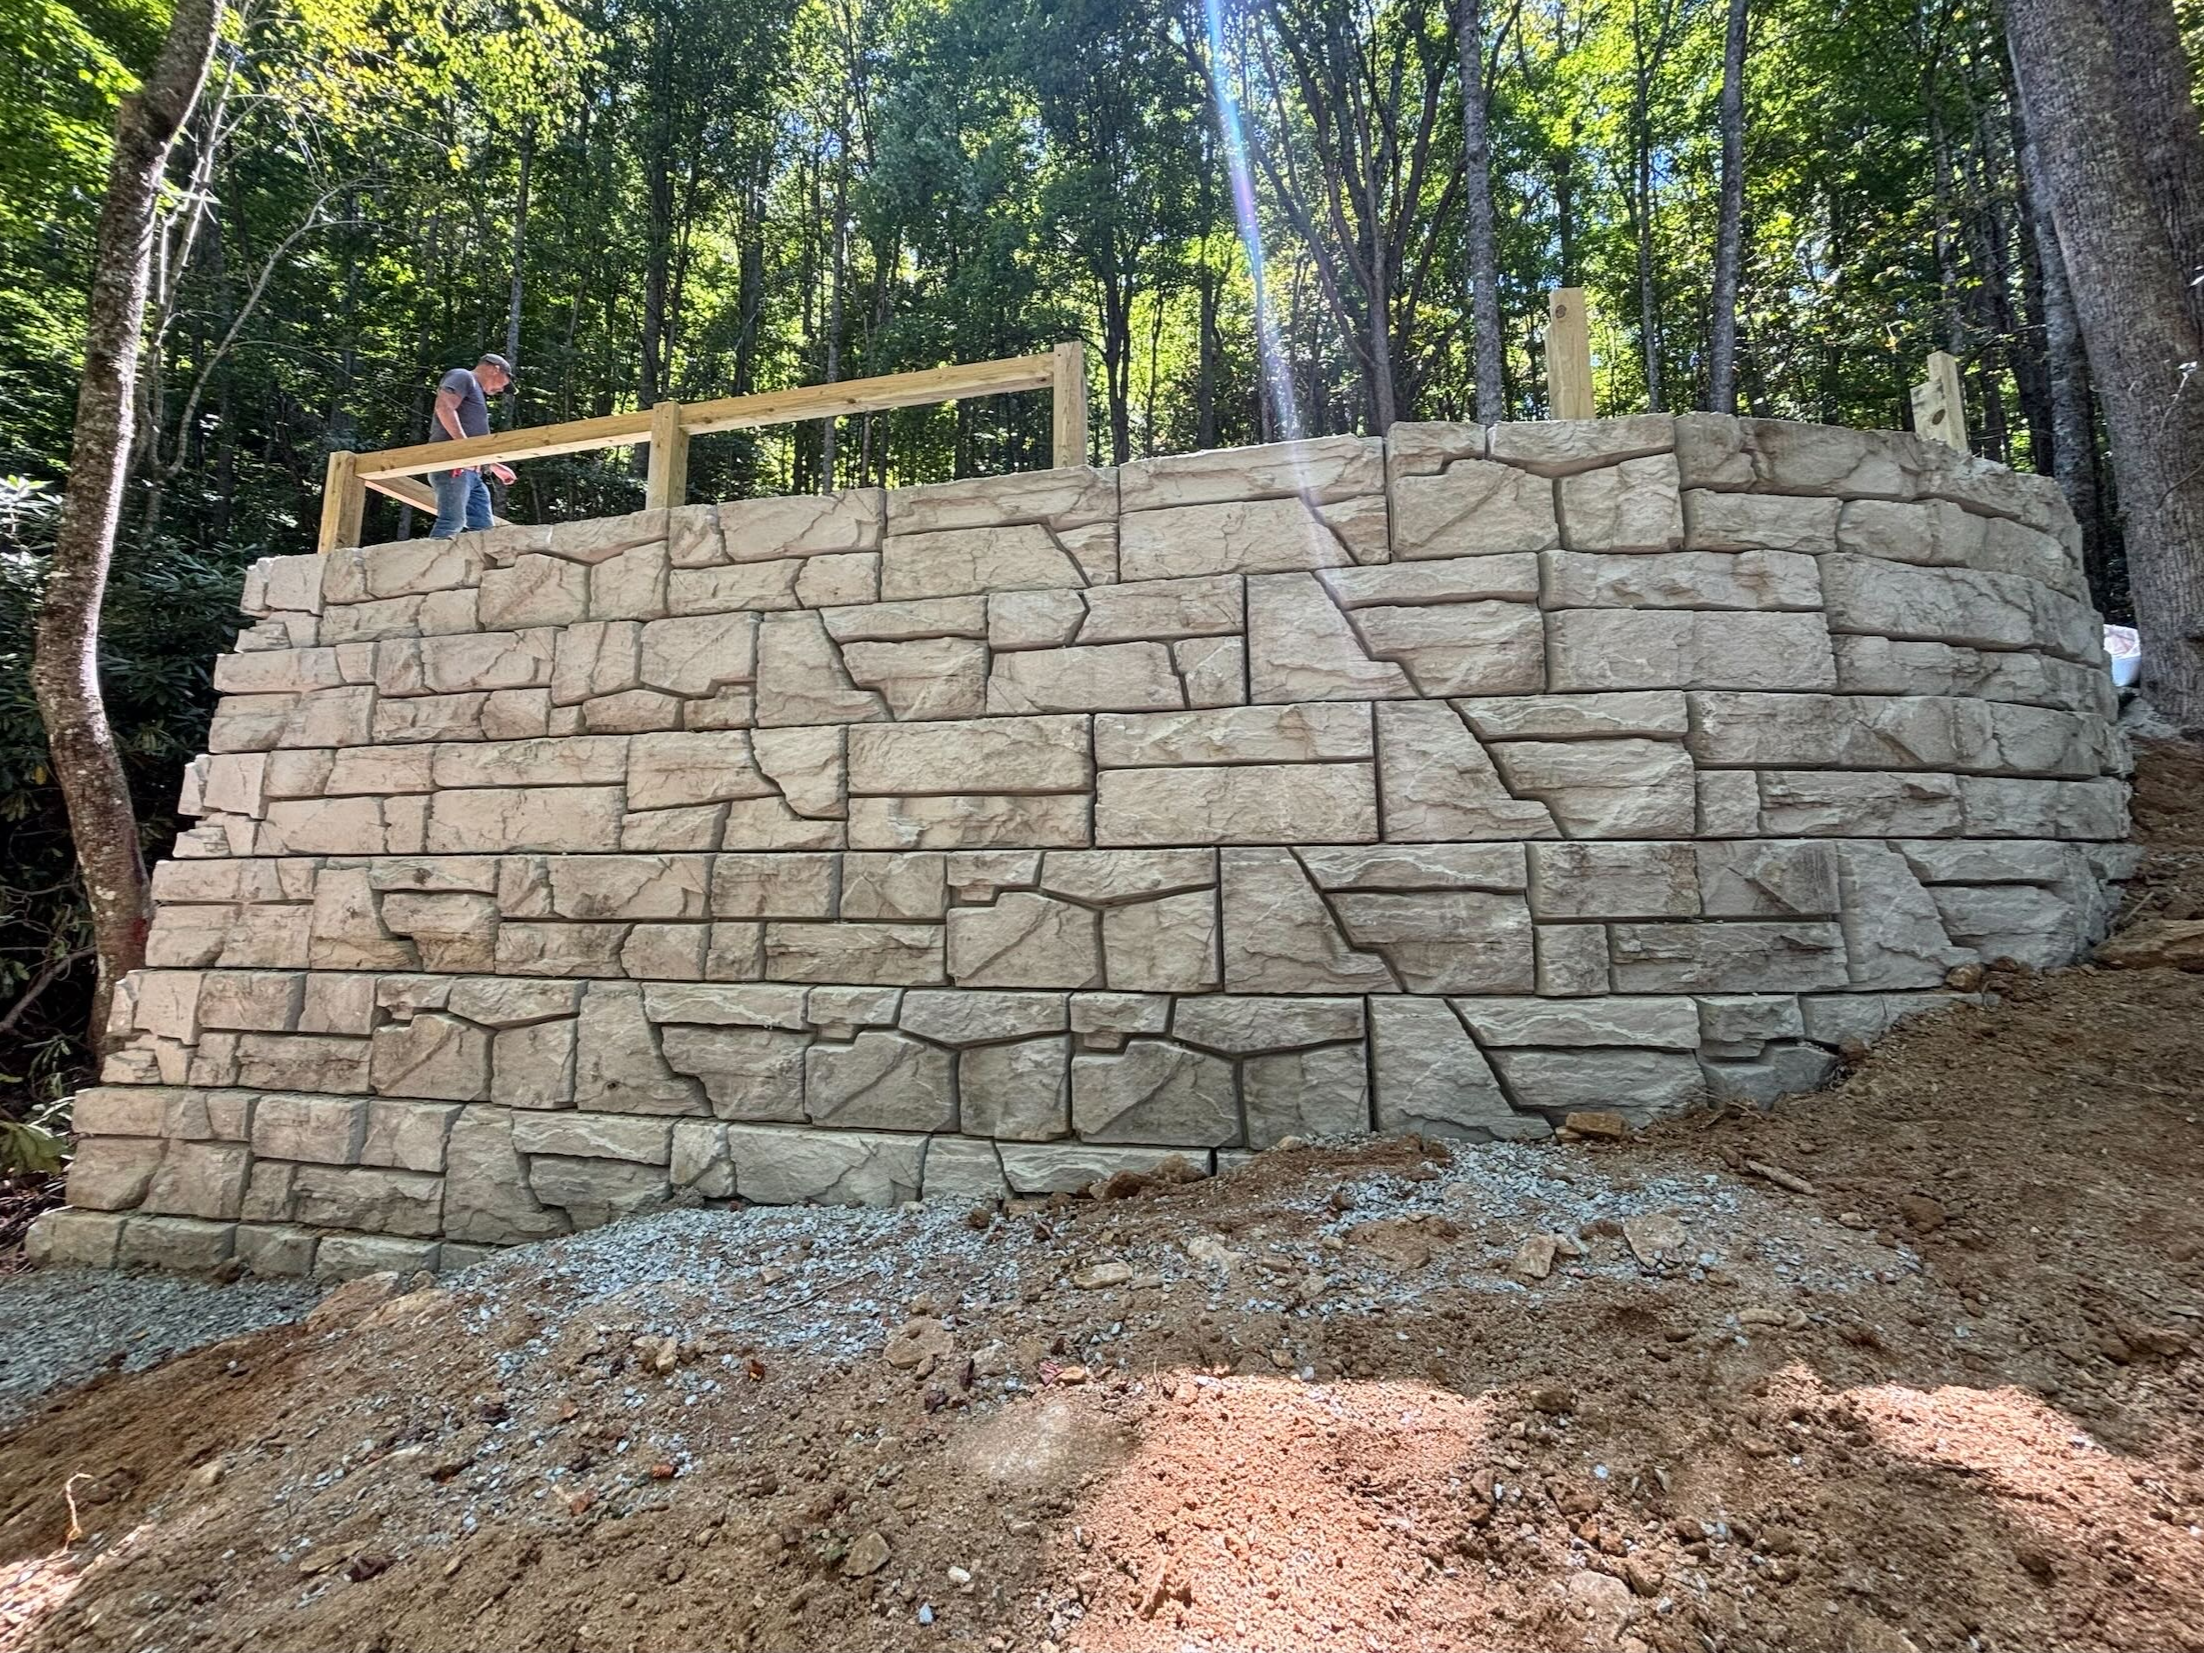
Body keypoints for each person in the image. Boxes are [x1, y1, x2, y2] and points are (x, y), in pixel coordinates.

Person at [428, 353, 517, 538]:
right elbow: (444, 407)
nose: (503, 389)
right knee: (452, 521)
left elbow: (472, 438)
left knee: (483, 529)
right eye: (506, 382)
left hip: (472, 471)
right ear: (495, 368)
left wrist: (493, 466)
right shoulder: (463, 376)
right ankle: (429, 565)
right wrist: (465, 449)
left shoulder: (475, 390)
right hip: (453, 464)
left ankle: (477, 566)